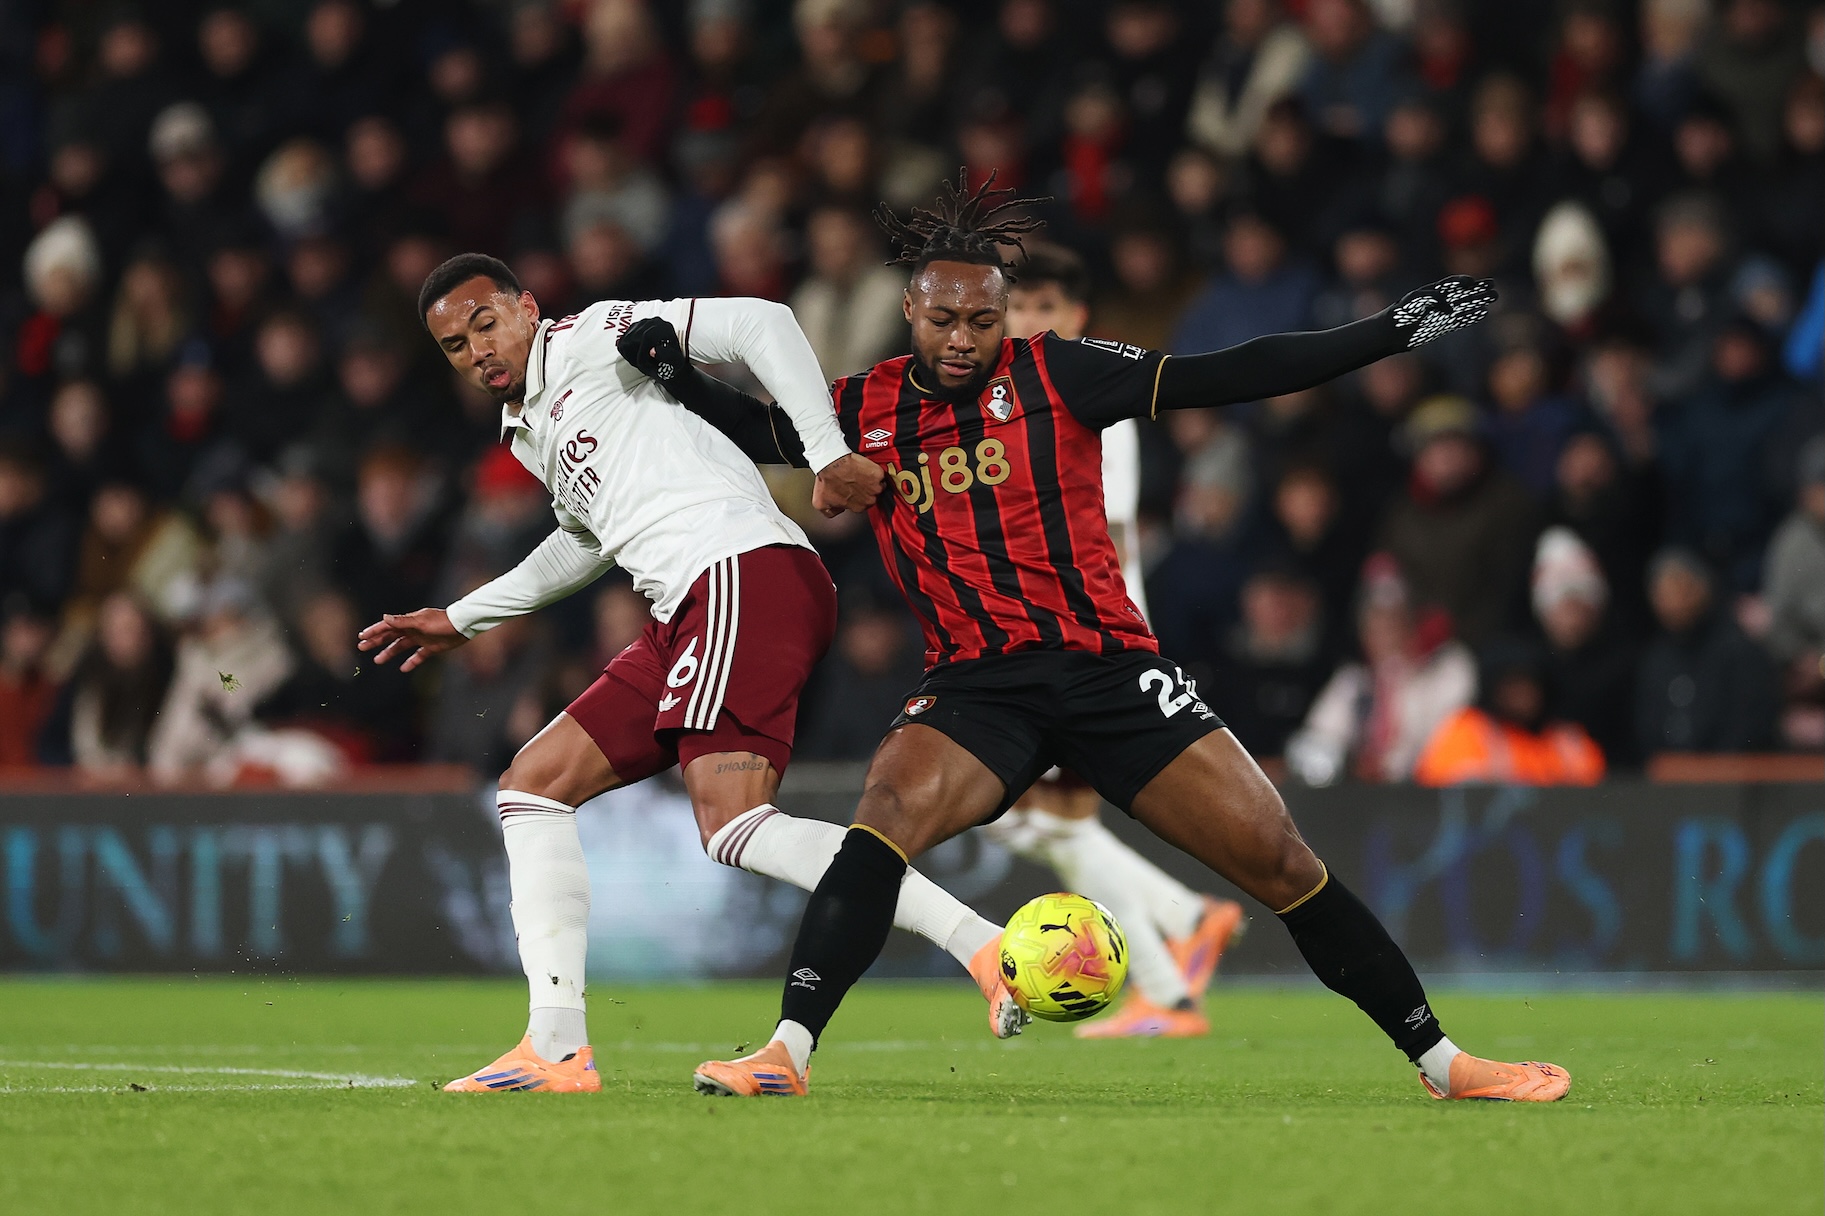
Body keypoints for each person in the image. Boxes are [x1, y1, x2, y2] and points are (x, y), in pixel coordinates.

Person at [631, 174, 1569, 1103]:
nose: (963, 341)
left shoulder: (1061, 373)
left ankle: (1445, 1065)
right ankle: (786, 1052)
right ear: (910, 312)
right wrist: (673, 372)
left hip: (1110, 671)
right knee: (880, 824)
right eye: (942, 321)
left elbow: (1239, 371)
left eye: (982, 322)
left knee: (1282, 862)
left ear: (1005, 317)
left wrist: (1395, 329)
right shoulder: (860, 408)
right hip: (976, 686)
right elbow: (763, 429)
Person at [357, 253, 1024, 1096]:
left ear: (526, 307)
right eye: (455, 345)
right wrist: (463, 616)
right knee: (532, 786)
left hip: (743, 572)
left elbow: (763, 323)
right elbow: (586, 537)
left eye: (487, 324)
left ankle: (979, 943)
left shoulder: (593, 336)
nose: (478, 350)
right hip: (690, 606)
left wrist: (822, 453)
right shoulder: (527, 427)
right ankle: (554, 1047)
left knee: (732, 825)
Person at [980, 242, 1244, 1040]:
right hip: (1046, 630)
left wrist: (1105, 635)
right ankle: (1180, 934)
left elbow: (1104, 529)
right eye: (1018, 309)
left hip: (1087, 631)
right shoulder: (1011, 399)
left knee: (1040, 821)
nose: (1029, 323)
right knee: (1036, 820)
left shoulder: (1087, 399)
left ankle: (1176, 952)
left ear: (1077, 318)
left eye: (1044, 310)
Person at [1413, 640, 1606, 787]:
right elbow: (1439, 797)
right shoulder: (1468, 730)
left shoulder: (1568, 742)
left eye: (1529, 685)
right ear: (1494, 690)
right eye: (1511, 686)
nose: (1522, 695)